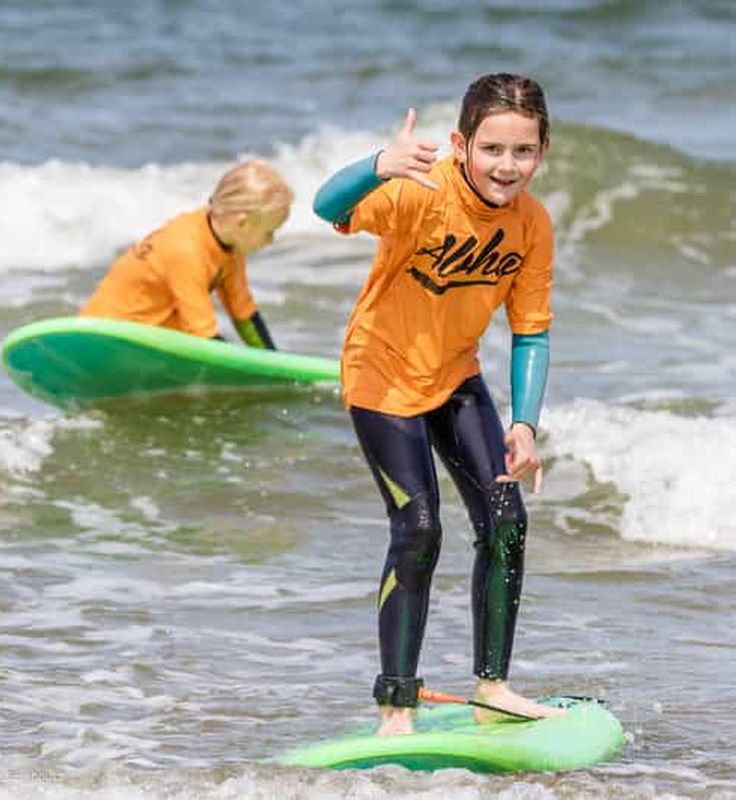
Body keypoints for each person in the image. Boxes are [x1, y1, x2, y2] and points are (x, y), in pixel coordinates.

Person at [313, 73, 564, 736]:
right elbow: (325, 204)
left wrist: (525, 424)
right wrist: (378, 166)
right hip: (380, 375)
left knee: (506, 521)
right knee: (419, 528)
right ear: (460, 145)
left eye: (523, 151)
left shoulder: (532, 224)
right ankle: (397, 705)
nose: (506, 166)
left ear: (542, 151)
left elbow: (531, 330)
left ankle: (492, 689)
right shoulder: (420, 191)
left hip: (455, 375)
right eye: (491, 149)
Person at [80, 159, 293, 348]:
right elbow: (204, 336)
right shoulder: (187, 250)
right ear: (242, 222)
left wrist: (276, 365)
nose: (271, 241)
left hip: (148, 338)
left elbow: (244, 314)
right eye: (269, 232)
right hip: (105, 338)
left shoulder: (229, 244)